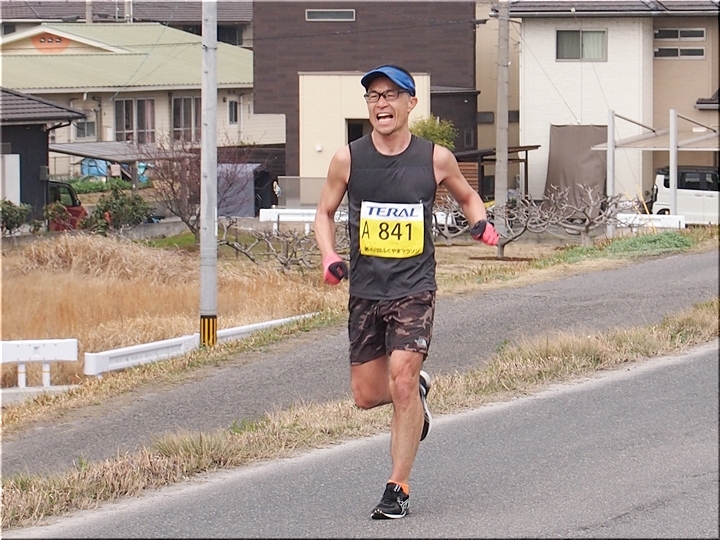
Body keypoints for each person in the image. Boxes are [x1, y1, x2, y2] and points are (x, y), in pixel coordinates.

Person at [314, 64, 498, 520]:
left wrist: (480, 222)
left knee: (400, 379)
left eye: (391, 95)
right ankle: (417, 392)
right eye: (373, 96)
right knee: (366, 395)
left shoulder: (435, 158)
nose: (381, 104)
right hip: (366, 290)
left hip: (415, 287)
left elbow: (467, 195)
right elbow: (324, 212)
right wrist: (329, 255)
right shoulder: (348, 159)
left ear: (410, 103)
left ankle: (397, 487)